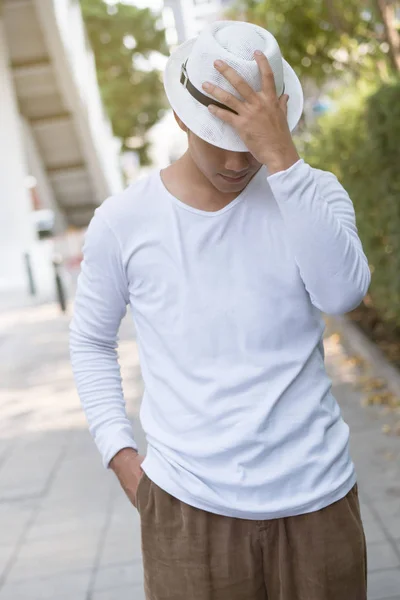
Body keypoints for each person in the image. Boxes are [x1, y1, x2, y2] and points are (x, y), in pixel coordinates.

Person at [70, 20, 370, 600]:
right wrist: (122, 456)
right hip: (188, 510)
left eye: (250, 144)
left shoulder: (314, 195)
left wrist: (281, 157)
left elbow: (342, 295)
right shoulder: (123, 222)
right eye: (220, 141)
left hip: (319, 500)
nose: (238, 162)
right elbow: (90, 341)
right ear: (182, 115)